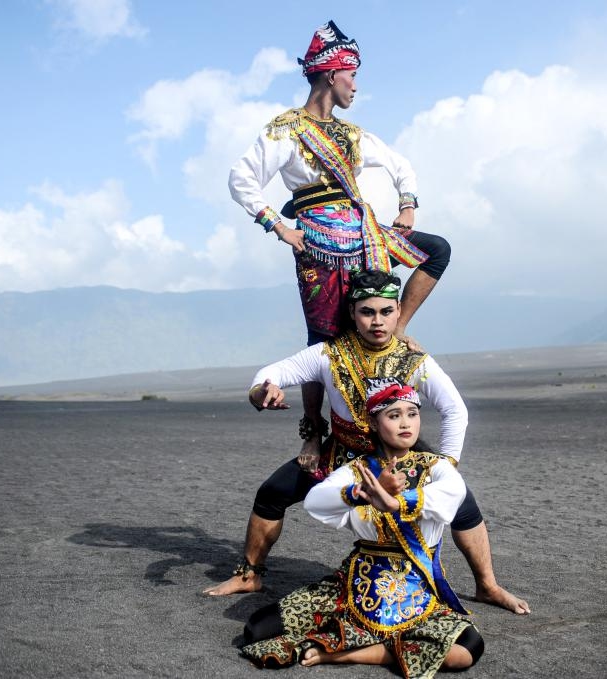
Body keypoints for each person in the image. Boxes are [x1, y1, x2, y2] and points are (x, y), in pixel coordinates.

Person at [203, 270, 529, 616]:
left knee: (464, 504)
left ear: (398, 312)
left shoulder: (415, 360)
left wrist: (444, 466)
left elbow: (455, 410)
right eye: (367, 312)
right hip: (343, 453)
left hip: (401, 456)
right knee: (272, 493)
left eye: (386, 312)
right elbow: (273, 373)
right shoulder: (328, 354)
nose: (377, 321)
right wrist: (263, 390)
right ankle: (249, 575)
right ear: (352, 313)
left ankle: (487, 585)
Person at [228, 20, 452, 472]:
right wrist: (278, 226)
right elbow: (241, 178)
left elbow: (400, 165)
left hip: (366, 232)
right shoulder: (286, 130)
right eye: (352, 76)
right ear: (332, 75)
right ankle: (314, 427)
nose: (355, 86)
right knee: (325, 338)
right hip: (318, 244)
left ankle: (398, 331)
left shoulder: (352, 135)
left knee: (437, 250)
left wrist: (407, 203)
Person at [239, 377, 484, 678]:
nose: (406, 423)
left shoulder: (435, 467)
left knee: (467, 650)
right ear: (374, 422)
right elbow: (316, 499)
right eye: (394, 415)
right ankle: (365, 645)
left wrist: (396, 502)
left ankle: (345, 654)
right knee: (256, 630)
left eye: (412, 413)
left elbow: (454, 493)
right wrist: (362, 493)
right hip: (354, 588)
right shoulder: (359, 470)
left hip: (416, 593)